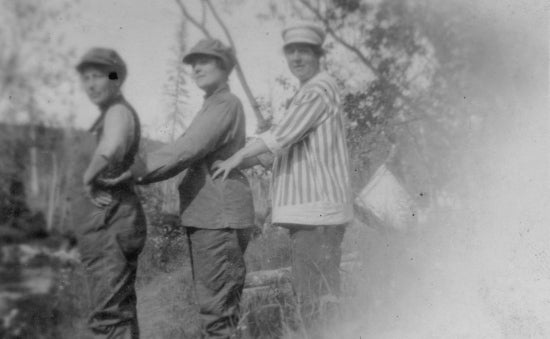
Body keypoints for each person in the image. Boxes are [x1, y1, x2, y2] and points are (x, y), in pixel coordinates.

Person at [104, 38, 255, 339]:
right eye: (193, 62)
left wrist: (132, 170)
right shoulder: (214, 105)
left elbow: (187, 149)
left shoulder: (225, 104)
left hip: (219, 218)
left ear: (225, 67)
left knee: (218, 315)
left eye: (206, 60)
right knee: (216, 311)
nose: (196, 67)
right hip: (209, 216)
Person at [213, 21, 353, 329]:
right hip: (316, 215)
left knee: (313, 297)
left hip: (317, 215)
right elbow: (278, 152)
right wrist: (235, 159)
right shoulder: (310, 92)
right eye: (291, 53)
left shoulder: (317, 90)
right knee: (320, 293)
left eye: (304, 52)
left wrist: (237, 155)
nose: (297, 60)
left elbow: (279, 137)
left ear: (318, 55)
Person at [75, 47, 146, 339]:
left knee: (110, 315)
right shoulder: (110, 113)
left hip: (113, 219)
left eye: (98, 76)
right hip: (109, 221)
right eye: (86, 78)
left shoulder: (117, 111)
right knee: (117, 309)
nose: (90, 84)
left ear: (115, 79)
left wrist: (88, 177)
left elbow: (113, 144)